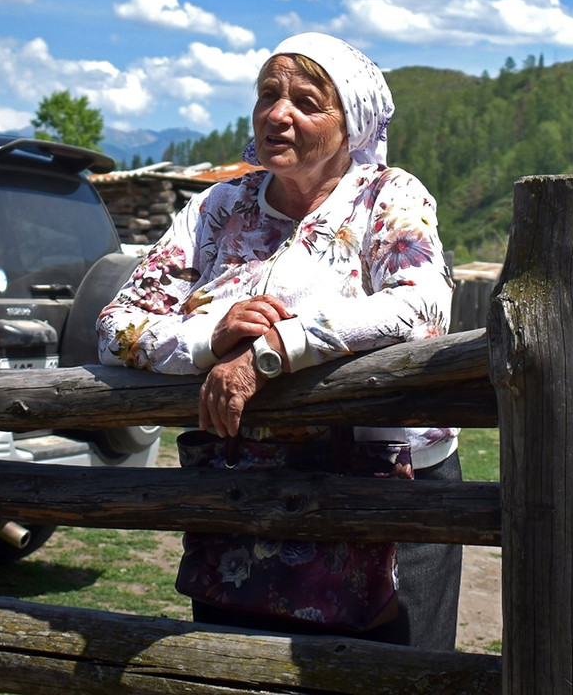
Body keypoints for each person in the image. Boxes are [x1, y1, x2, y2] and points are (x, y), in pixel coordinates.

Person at [96, 32, 461, 650]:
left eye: (306, 101)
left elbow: (420, 308)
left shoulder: (386, 197)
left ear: (353, 121)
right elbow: (117, 326)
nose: (277, 114)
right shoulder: (219, 207)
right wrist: (211, 337)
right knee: (237, 669)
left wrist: (274, 352)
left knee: (387, 681)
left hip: (386, 492)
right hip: (244, 486)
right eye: (268, 95)